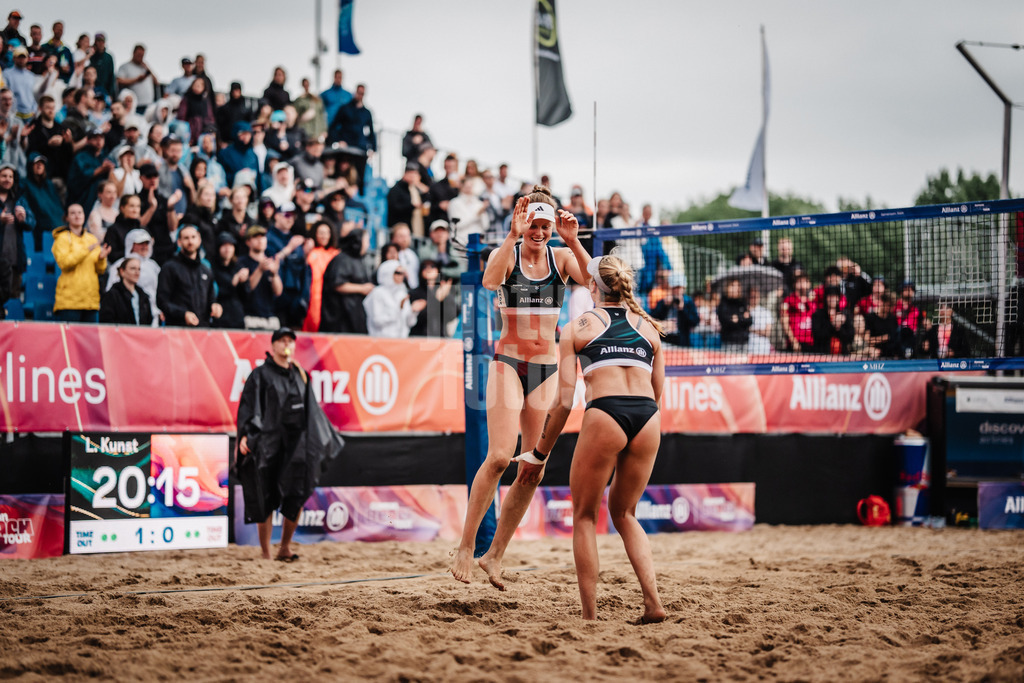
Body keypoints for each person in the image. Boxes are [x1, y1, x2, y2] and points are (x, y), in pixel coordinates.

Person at [513, 254, 667, 623]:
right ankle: (653, 603)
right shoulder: (649, 328)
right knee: (626, 514)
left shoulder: (576, 328)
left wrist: (539, 453)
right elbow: (658, 393)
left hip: (606, 412)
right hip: (648, 417)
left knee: (584, 516)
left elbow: (564, 402)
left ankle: (590, 616)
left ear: (593, 287)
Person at [449, 189, 591, 587]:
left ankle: (494, 555)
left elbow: (595, 282)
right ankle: (466, 546)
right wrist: (512, 235)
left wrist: (574, 240)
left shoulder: (560, 257)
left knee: (532, 468)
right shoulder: (509, 253)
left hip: (546, 369)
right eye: (534, 225)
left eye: (545, 226)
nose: (540, 232)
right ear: (523, 223)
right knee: (498, 457)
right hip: (508, 364)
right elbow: (488, 280)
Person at [235, 326, 345, 561]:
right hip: (268, 443)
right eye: (282, 340)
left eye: (290, 341)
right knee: (265, 496)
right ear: (273, 345)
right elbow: (248, 406)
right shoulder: (260, 375)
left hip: (296, 446)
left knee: (297, 493)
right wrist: (245, 435)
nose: (287, 344)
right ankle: (266, 552)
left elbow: (311, 411)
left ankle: (284, 547)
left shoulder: (300, 375)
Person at [51, 204, 110, 322]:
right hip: (69, 301)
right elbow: (64, 263)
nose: (77, 216)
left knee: (90, 334)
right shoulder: (61, 238)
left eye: (80, 212)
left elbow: (100, 270)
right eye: (73, 213)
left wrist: (101, 259)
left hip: (90, 300)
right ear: (67, 218)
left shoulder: (92, 239)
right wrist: (86, 250)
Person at [156, 225, 222, 327]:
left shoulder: (206, 270)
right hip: (177, 329)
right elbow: (162, 301)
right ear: (179, 242)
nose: (190, 241)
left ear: (199, 240)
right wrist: (183, 314)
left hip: (202, 330)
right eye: (186, 238)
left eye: (193, 237)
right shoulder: (169, 268)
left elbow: (211, 299)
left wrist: (215, 307)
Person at [319, 227, 372, 333]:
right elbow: (337, 284)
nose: (368, 245)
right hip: (341, 317)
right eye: (366, 241)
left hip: (355, 315)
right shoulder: (342, 259)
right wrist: (362, 288)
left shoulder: (359, 260)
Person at [105, 227, 161, 325]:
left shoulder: (154, 266)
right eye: (140, 243)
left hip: (150, 315)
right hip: (125, 318)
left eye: (146, 243)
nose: (144, 246)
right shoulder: (119, 265)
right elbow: (111, 294)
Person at [0, 162, 34, 308]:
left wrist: (24, 219)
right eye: (3, 176)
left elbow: (32, 223)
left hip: (14, 260)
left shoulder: (19, 200)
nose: (7, 179)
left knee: (12, 303)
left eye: (10, 176)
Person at [237, 224, 283, 330]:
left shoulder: (271, 262)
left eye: (262, 237)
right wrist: (260, 270)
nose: (260, 240)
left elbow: (278, 292)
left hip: (270, 317)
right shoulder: (242, 262)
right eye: (256, 237)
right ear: (248, 242)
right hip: (250, 317)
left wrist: (274, 274)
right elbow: (247, 288)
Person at [363, 259, 417, 338]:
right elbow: (377, 321)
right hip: (382, 340)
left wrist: (413, 311)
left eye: (403, 273)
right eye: (398, 273)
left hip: (402, 341)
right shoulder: (377, 293)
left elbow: (410, 323)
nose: (401, 276)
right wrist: (398, 309)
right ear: (388, 273)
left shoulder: (402, 292)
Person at [302, 220, 338, 333]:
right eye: (321, 233)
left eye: (327, 233)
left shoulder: (335, 254)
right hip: (313, 293)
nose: (324, 236)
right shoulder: (311, 252)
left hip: (330, 294)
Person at [99, 254, 153, 325]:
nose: (137, 272)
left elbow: (148, 322)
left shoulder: (143, 296)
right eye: (133, 268)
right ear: (122, 271)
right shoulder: (112, 295)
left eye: (139, 269)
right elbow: (106, 321)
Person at [409, 259, 457, 337]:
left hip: (440, 337)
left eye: (432, 266)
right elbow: (417, 319)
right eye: (425, 267)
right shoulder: (414, 293)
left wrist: (447, 296)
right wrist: (437, 299)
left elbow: (451, 316)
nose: (428, 269)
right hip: (420, 337)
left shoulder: (443, 290)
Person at [210, 231, 247, 329]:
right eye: (224, 245)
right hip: (220, 317)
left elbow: (247, 295)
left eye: (230, 245)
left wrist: (244, 282)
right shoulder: (211, 267)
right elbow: (213, 291)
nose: (227, 249)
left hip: (237, 317)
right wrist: (232, 283)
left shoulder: (239, 267)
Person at [652, 273, 699, 347]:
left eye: (679, 288)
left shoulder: (688, 302)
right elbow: (653, 318)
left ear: (683, 288)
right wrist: (664, 306)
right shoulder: (663, 301)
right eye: (675, 288)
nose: (677, 291)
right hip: (664, 339)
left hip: (681, 341)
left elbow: (695, 321)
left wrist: (682, 309)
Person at [328, 83, 375, 153]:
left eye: (362, 93)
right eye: (358, 93)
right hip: (346, 146)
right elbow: (333, 127)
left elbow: (371, 132)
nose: (359, 95)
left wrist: (373, 149)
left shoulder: (366, 113)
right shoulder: (345, 109)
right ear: (355, 92)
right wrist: (338, 140)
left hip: (360, 147)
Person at [812, 286, 854, 355]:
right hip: (823, 355)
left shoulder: (845, 315)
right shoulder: (818, 315)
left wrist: (839, 328)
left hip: (842, 355)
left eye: (835, 296)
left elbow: (850, 337)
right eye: (830, 296)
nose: (832, 299)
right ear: (826, 298)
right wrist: (832, 324)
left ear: (838, 298)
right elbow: (818, 336)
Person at [116, 44, 158, 112]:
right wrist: (136, 80)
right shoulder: (125, 66)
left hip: (149, 104)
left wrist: (148, 68)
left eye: (142, 55)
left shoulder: (145, 67)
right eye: (139, 55)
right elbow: (119, 81)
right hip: (135, 106)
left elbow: (156, 82)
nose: (140, 57)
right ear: (133, 53)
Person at [717, 278, 752, 351]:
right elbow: (726, 321)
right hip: (729, 343)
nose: (736, 288)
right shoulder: (724, 303)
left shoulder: (743, 303)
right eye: (733, 285)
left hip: (744, 343)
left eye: (738, 286)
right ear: (727, 288)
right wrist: (742, 318)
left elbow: (749, 320)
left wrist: (738, 319)